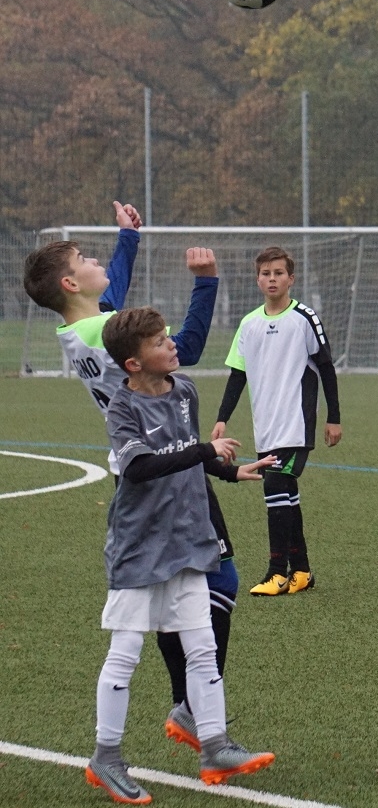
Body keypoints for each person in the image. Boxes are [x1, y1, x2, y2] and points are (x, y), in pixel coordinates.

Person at [22, 203, 237, 754]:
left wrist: (128, 239)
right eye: (84, 258)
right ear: (70, 282)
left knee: (182, 589)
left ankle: (190, 705)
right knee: (217, 582)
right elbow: (185, 348)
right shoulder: (102, 329)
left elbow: (110, 288)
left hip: (151, 465)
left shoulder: (79, 329)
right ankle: (188, 705)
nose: (97, 262)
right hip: (166, 466)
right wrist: (206, 284)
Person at [88, 307, 275, 804]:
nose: (171, 345)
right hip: (140, 545)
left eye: (168, 337)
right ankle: (106, 757)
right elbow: (140, 468)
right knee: (125, 651)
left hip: (189, 539)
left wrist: (229, 471)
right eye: (158, 342)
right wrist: (207, 453)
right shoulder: (122, 408)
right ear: (133, 363)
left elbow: (188, 452)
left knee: (202, 646)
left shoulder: (185, 390)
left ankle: (214, 746)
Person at [213, 246, 342, 596]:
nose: (272, 279)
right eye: (266, 273)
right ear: (258, 280)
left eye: (279, 273)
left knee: (274, 487)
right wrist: (222, 417)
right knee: (286, 494)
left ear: (291, 279)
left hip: (296, 424)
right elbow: (238, 374)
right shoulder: (248, 323)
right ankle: (301, 571)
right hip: (266, 426)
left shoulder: (304, 318)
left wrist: (333, 418)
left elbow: (326, 368)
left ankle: (276, 572)